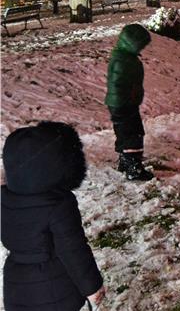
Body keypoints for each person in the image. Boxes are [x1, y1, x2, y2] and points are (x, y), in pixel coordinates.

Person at [1, 121, 106, 311]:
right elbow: (73, 250)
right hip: (55, 290)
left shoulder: (4, 199)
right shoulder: (59, 205)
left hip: (16, 284)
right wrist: (92, 287)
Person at [105, 24, 154, 181]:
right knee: (133, 133)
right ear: (132, 43)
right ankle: (133, 167)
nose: (142, 48)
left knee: (125, 132)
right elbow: (118, 83)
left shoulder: (125, 57)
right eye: (141, 45)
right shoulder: (123, 60)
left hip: (122, 103)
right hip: (123, 104)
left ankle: (125, 162)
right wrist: (128, 99)